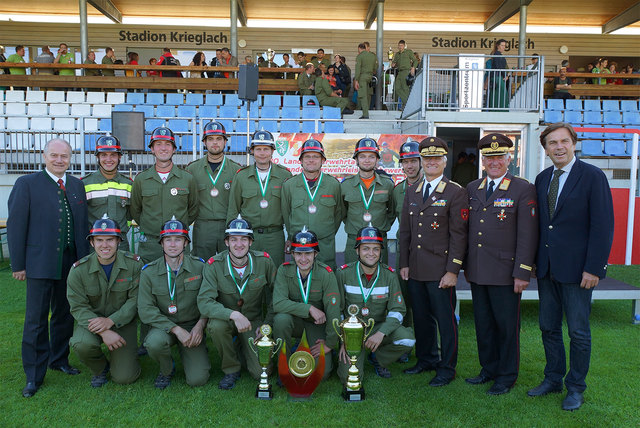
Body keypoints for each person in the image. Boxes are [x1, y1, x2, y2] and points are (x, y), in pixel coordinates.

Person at [528, 122, 614, 411]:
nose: (559, 147)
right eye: (553, 143)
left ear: (573, 143)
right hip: (547, 269)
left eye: (564, 141)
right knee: (548, 327)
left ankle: (575, 387)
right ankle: (553, 378)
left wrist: (594, 268)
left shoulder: (592, 176)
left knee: (578, 331)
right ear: (546, 148)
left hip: (579, 271)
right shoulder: (542, 179)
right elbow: (542, 226)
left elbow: (602, 226)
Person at [8, 138, 90, 398]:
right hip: (39, 263)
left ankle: (59, 359)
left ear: (70, 158)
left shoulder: (77, 185)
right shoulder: (27, 184)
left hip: (70, 263)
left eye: (64, 156)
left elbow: (81, 227)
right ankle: (33, 375)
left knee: (64, 314)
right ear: (44, 156)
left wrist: (84, 261)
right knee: (35, 320)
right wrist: (19, 264)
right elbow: (16, 226)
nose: (59, 160)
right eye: (54, 155)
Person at [465, 133, 538, 395]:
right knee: (483, 325)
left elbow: (527, 235)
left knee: (506, 327)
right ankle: (488, 369)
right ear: (483, 160)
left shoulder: (522, 188)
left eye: (499, 157)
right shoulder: (473, 188)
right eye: (489, 157)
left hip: (506, 273)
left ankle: (506, 375)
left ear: (509, 158)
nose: (494, 162)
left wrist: (522, 272)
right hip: (478, 270)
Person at [398, 137, 468, 387]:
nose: (431, 162)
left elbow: (459, 236)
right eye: (427, 159)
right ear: (421, 161)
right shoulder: (413, 191)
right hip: (415, 269)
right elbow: (405, 232)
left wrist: (452, 271)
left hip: (440, 271)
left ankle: (447, 368)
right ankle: (426, 359)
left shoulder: (455, 192)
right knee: (421, 318)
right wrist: (404, 263)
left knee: (445, 321)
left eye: (436, 158)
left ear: (444, 161)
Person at [197, 215, 277, 389]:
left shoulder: (264, 262)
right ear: (226, 242)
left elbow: (277, 296)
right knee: (216, 327)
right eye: (233, 239)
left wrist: (266, 325)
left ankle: (242, 348)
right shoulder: (214, 265)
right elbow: (204, 301)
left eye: (243, 239)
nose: (238, 244)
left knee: (260, 372)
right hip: (226, 319)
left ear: (251, 242)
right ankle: (231, 368)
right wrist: (233, 315)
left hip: (253, 321)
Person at [67, 215, 143, 388]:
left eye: (110, 240)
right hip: (92, 323)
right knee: (81, 344)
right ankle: (100, 368)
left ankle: (122, 361)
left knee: (125, 377)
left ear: (118, 242)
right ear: (92, 243)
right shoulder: (79, 270)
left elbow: (135, 300)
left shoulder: (134, 265)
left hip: (123, 322)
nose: (105, 245)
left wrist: (111, 321)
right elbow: (78, 306)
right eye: (99, 240)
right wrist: (104, 331)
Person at [138, 217, 210, 389]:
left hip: (193, 325)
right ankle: (166, 369)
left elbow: (210, 299)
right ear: (161, 243)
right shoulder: (149, 272)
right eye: (168, 240)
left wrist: (200, 326)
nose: (172, 244)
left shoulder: (200, 267)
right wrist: (176, 330)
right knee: (154, 343)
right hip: (164, 326)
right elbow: (145, 310)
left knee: (197, 380)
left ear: (185, 243)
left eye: (178, 239)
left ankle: (197, 353)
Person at [337, 224, 415, 381]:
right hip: (351, 333)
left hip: (376, 329)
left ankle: (378, 358)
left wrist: (381, 333)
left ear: (381, 252)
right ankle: (346, 354)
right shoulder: (343, 274)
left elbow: (398, 311)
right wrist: (343, 339)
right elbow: (336, 310)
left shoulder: (389, 276)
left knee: (407, 338)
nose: (371, 253)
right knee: (349, 377)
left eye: (376, 249)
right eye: (366, 248)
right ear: (357, 251)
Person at [273, 227, 340, 379]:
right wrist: (309, 308)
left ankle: (319, 351)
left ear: (315, 254)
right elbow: (278, 303)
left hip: (316, 324)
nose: (303, 259)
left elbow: (333, 311)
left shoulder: (326, 274)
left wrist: (329, 343)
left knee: (321, 373)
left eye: (308, 253)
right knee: (281, 319)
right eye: (298, 253)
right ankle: (283, 364)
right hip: (293, 321)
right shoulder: (284, 271)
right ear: (292, 254)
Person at [130, 126, 198, 263]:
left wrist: (176, 230)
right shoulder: (141, 179)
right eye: (158, 144)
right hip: (150, 244)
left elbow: (193, 209)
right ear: (152, 149)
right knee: (149, 280)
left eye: (168, 144)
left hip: (179, 242)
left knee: (181, 281)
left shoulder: (187, 179)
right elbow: (135, 210)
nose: (163, 148)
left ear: (174, 149)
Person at [227, 130, 292, 268]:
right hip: (249, 236)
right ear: (252, 151)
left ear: (272, 151)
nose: (262, 153)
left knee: (274, 275)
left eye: (266, 149)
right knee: (250, 274)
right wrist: (231, 237)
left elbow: (289, 210)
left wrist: (291, 236)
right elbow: (233, 209)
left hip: (274, 236)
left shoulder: (284, 175)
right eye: (258, 149)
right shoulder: (241, 176)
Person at [281, 139, 343, 270]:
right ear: (301, 160)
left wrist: (326, 232)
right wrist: (291, 236)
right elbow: (287, 215)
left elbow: (339, 213)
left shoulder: (334, 185)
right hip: (299, 246)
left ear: (323, 160)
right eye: (307, 157)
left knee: (327, 281)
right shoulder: (289, 185)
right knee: (299, 281)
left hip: (325, 246)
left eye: (315, 156)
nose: (311, 160)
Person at [186, 121, 240, 259]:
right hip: (203, 227)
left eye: (219, 139)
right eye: (210, 139)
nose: (215, 143)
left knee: (229, 265)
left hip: (228, 226)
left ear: (225, 142)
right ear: (204, 142)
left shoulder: (236, 170)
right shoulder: (192, 169)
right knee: (201, 266)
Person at [341, 137, 395, 264]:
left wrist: (382, 226)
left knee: (381, 279)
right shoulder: (345, 185)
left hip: (379, 240)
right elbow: (342, 212)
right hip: (354, 240)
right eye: (362, 156)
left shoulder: (388, 185)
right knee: (351, 278)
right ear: (356, 160)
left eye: (371, 156)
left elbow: (392, 212)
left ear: (377, 160)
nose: (367, 160)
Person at [391, 138, 423, 332]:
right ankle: (405, 339)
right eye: (405, 161)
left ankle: (429, 347)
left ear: (420, 161)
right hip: (404, 249)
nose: (409, 166)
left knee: (425, 297)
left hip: (427, 250)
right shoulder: (397, 191)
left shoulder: (431, 187)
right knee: (402, 295)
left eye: (413, 161)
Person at [82, 135, 133, 251]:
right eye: (104, 155)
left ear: (119, 157)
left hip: (121, 245)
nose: (108, 159)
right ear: (98, 157)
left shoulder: (129, 185)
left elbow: (132, 215)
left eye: (113, 155)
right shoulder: (85, 184)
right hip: (95, 246)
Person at [354, 42, 377, 119]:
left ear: (360, 49)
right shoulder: (372, 56)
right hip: (370, 76)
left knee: (363, 95)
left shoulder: (360, 56)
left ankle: (365, 114)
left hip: (362, 77)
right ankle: (367, 110)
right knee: (368, 95)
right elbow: (375, 67)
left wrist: (356, 80)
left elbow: (358, 69)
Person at [391, 40, 416, 108]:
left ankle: (406, 104)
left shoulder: (408, 52)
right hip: (399, 72)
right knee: (397, 88)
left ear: (404, 46)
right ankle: (407, 102)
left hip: (406, 71)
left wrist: (413, 68)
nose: (400, 47)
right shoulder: (397, 54)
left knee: (405, 88)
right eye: (399, 45)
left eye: (401, 45)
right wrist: (393, 64)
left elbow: (415, 60)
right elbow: (394, 63)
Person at [487, 39, 509, 111]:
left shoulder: (497, 54)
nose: (503, 47)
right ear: (498, 46)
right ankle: (500, 111)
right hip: (497, 77)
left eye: (504, 46)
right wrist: (505, 75)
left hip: (497, 77)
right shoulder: (497, 54)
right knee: (501, 95)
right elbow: (499, 66)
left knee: (498, 95)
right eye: (502, 45)